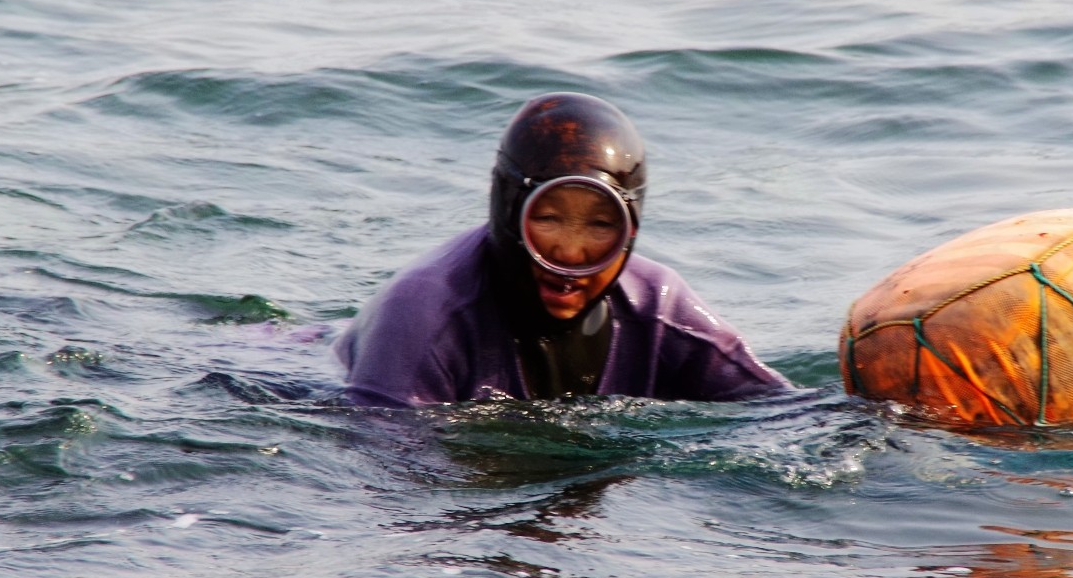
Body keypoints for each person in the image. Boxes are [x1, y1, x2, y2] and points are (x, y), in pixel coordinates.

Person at [335, 93, 789, 406]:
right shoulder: (422, 316)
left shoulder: (657, 309)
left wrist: (859, 397)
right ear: (507, 209)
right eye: (549, 219)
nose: (571, 254)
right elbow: (380, 464)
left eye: (600, 225)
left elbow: (782, 414)